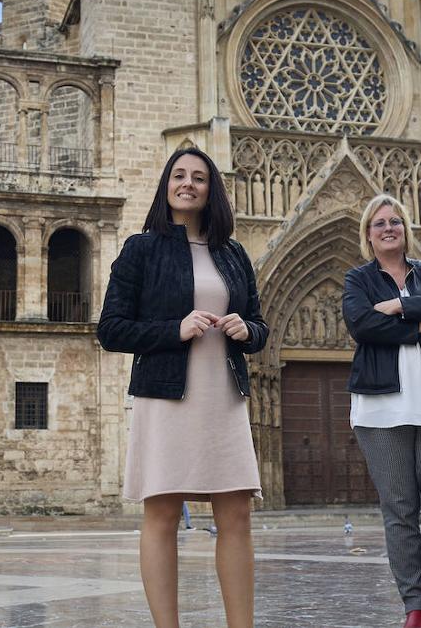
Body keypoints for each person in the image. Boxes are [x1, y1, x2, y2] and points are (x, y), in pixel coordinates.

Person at [97, 147, 268, 628]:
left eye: (199, 177)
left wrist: (245, 330)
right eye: (179, 176)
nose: (188, 183)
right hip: (166, 395)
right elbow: (111, 329)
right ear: (166, 186)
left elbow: (259, 325)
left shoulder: (232, 254)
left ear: (211, 189)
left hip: (223, 395)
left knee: (235, 516)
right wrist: (175, 329)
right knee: (163, 515)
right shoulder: (142, 248)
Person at [342, 193, 421, 628]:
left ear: (406, 229)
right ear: (368, 234)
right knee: (399, 509)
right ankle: (414, 607)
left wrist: (400, 306)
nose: (388, 228)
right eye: (379, 223)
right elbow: (361, 324)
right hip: (381, 409)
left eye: (395, 221)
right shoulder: (358, 280)